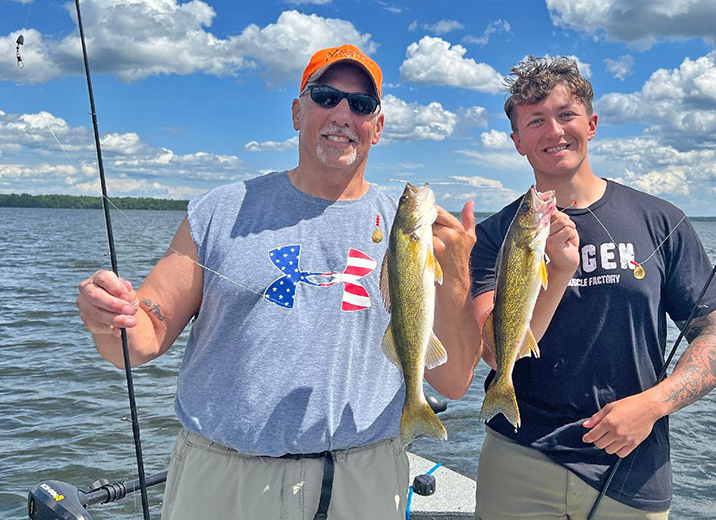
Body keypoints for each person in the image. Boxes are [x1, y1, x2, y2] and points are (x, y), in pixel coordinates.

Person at [75, 44, 478, 520]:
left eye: (361, 104)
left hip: (365, 480)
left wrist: (456, 275)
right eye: (326, 96)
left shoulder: (410, 231)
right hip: (226, 480)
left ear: (379, 125)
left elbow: (452, 381)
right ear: (296, 111)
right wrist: (110, 317)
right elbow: (143, 337)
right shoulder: (220, 211)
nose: (343, 114)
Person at [464, 56, 716, 519]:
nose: (554, 131)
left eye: (566, 115)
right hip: (519, 456)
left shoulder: (661, 220)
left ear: (591, 124)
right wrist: (559, 270)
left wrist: (651, 406)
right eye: (535, 121)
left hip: (633, 464)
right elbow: (494, 352)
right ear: (517, 142)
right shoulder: (496, 235)